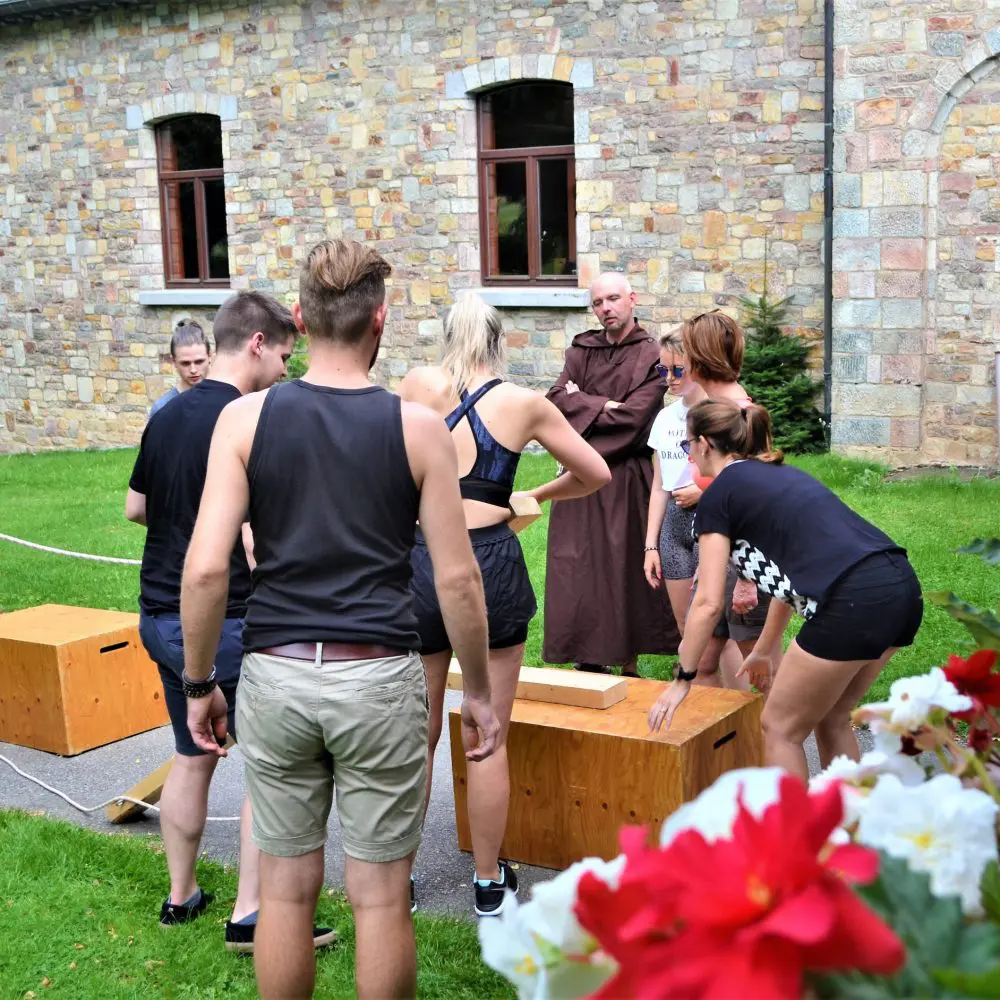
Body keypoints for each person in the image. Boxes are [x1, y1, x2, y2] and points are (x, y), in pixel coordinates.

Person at [179, 240, 501, 1000]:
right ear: (378, 321)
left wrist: (198, 683)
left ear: (299, 316)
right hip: (378, 678)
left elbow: (205, 569)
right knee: (381, 899)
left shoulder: (244, 420)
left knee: (285, 891)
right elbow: (458, 578)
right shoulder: (420, 428)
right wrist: (481, 693)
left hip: (277, 673)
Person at [125, 291, 336, 954]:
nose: (286, 369)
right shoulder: (252, 418)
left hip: (161, 614)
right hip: (231, 620)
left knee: (192, 756)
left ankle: (181, 896)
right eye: (284, 355)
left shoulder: (166, 414)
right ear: (257, 344)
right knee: (271, 769)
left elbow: (137, 507)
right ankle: (251, 914)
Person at [400, 292, 611, 916]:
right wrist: (535, 496)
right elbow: (596, 473)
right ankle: (489, 883)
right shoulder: (523, 403)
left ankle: (399, 876)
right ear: (499, 341)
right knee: (488, 728)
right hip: (490, 559)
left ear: (446, 337)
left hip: (423, 557)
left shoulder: (416, 386)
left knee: (417, 733)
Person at [648, 399, 924, 783]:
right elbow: (785, 578)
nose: (688, 454)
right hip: (901, 588)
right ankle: (851, 818)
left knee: (778, 728)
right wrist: (763, 648)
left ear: (705, 444)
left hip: (852, 601)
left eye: (687, 445)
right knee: (832, 715)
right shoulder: (777, 474)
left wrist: (683, 679)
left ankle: (794, 825)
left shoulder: (719, 496)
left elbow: (708, 603)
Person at [543, 272, 680, 675]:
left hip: (626, 478)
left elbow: (634, 421)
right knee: (579, 569)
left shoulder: (652, 355)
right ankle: (588, 660)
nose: (606, 308)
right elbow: (554, 401)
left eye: (613, 299)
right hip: (579, 483)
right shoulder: (581, 351)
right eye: (598, 302)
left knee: (623, 570)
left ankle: (628, 663)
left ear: (632, 299)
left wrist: (582, 405)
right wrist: (605, 405)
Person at [681, 310, 776, 689]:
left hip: (746, 563)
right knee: (702, 660)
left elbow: (762, 505)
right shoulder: (713, 411)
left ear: (699, 358)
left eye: (687, 351)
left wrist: (748, 580)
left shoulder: (741, 416)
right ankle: (715, 731)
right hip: (722, 554)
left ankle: (779, 729)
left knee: (763, 675)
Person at [643, 329, 706, 630]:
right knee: (685, 624)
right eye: (663, 370)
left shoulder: (719, 412)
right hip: (674, 523)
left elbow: (741, 474)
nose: (670, 378)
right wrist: (650, 546)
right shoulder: (665, 418)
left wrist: (703, 491)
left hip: (710, 518)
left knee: (716, 626)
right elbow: (659, 486)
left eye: (678, 370)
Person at [149, 322, 211, 418]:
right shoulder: (162, 408)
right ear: (173, 361)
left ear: (209, 356)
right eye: (185, 363)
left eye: (199, 362)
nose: (193, 370)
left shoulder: (225, 401)